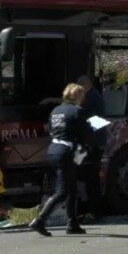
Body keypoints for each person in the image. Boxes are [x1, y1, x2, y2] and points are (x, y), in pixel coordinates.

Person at [29, 83, 94, 237]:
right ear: (79, 97)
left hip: (53, 150)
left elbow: (52, 129)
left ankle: (73, 223)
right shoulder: (78, 112)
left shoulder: (56, 111)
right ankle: (40, 220)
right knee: (63, 191)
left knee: (71, 188)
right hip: (67, 152)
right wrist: (91, 132)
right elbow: (85, 135)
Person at [76, 75, 105, 219]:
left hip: (91, 144)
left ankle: (92, 210)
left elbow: (84, 116)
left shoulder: (91, 97)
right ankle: (93, 210)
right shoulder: (95, 96)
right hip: (94, 143)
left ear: (84, 85)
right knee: (90, 177)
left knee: (89, 177)